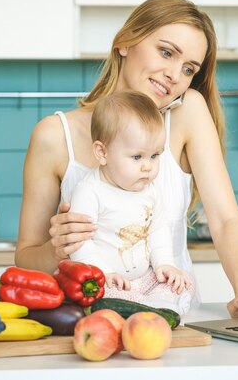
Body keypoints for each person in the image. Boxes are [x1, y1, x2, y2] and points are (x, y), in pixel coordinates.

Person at [16, 0, 238, 317]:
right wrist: (56, 250)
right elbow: (25, 257)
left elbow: (225, 219)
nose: (175, 75)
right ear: (125, 41)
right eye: (166, 52)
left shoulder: (186, 113)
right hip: (91, 324)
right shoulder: (54, 136)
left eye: (189, 68)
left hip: (174, 322)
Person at [68, 90, 193, 313]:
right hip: (107, 280)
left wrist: (165, 264)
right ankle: (145, 309)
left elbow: (158, 230)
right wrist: (104, 273)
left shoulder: (150, 189)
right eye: (137, 157)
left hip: (142, 279)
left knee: (178, 283)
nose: (148, 166)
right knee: (102, 298)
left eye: (155, 156)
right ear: (102, 152)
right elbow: (80, 243)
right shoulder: (90, 191)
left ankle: (156, 306)